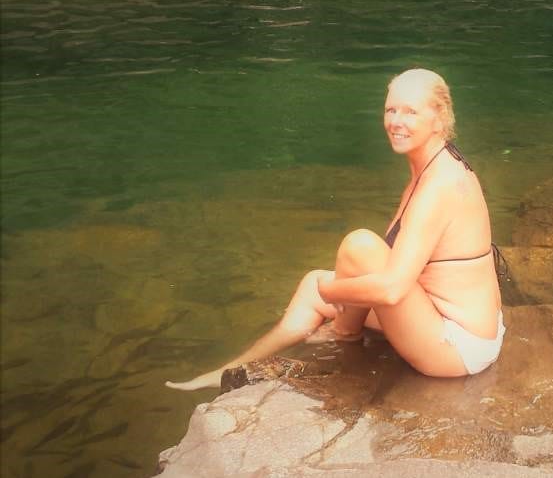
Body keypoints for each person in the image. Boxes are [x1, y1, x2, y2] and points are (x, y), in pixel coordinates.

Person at [166, 68, 505, 390]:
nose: (396, 122)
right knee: (322, 277)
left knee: (350, 258)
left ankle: (341, 334)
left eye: (410, 112)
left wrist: (333, 292)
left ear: (439, 117)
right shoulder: (433, 166)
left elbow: (391, 291)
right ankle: (233, 369)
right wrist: (330, 289)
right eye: (391, 110)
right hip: (437, 317)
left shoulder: (441, 185)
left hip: (458, 347)